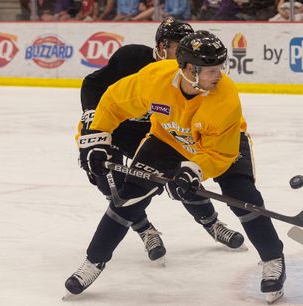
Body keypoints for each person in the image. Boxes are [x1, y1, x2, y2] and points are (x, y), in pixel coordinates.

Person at [68, 30, 285, 303]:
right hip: (168, 139)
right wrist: (99, 137)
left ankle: (273, 259)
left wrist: (194, 170)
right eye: (211, 70)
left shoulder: (225, 98)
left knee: (243, 196)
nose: (218, 76)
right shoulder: (154, 78)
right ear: (189, 70)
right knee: (128, 198)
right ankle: (93, 261)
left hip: (222, 146)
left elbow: (219, 155)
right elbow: (113, 102)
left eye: (220, 68)